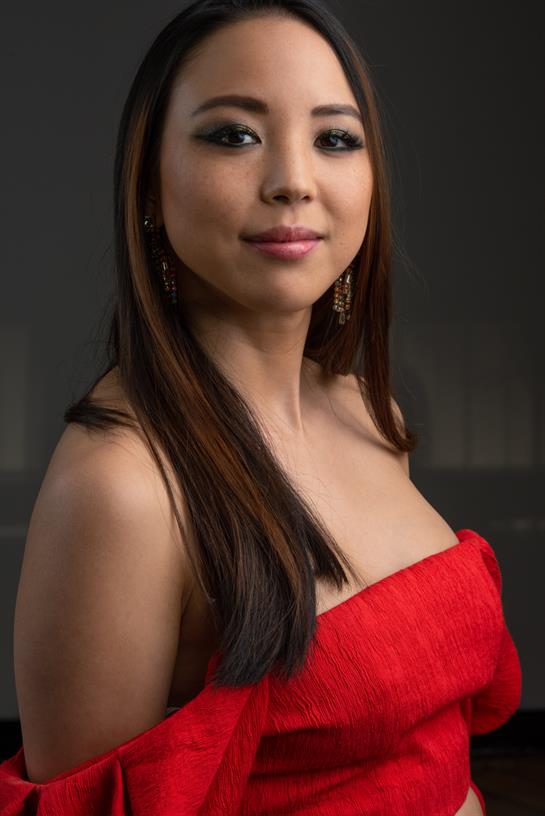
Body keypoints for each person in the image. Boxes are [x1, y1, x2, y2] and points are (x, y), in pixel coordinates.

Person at [0, 1, 521, 814]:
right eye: (233, 134)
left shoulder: (367, 410)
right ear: (149, 182)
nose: (292, 180)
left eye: (335, 139)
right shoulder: (121, 490)